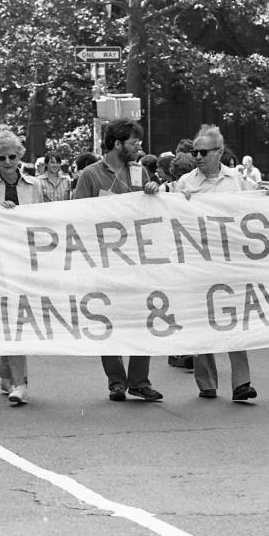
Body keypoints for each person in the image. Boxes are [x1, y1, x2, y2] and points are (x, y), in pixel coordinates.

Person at [146, 126, 257, 402]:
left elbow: (258, 205)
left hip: (229, 260)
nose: (197, 156)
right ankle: (207, 382)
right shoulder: (185, 183)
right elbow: (162, 198)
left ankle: (242, 383)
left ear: (219, 152)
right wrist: (153, 189)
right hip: (197, 261)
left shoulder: (237, 180)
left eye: (203, 152)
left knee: (235, 320)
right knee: (203, 319)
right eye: (195, 152)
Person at [73, 120, 163, 402]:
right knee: (107, 320)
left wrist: (153, 189)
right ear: (117, 144)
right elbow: (77, 216)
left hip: (138, 261)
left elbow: (154, 208)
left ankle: (139, 380)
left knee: (143, 316)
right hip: (104, 262)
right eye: (134, 143)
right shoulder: (90, 175)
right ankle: (116, 381)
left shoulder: (140, 171)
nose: (139, 147)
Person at [0, 131, 45, 406]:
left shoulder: (35, 186)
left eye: (12, 157)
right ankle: (14, 379)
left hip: (26, 260)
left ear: (20, 157)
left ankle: (14, 378)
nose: (7, 162)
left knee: (17, 317)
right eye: (0, 157)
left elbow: (43, 220)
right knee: (9, 318)